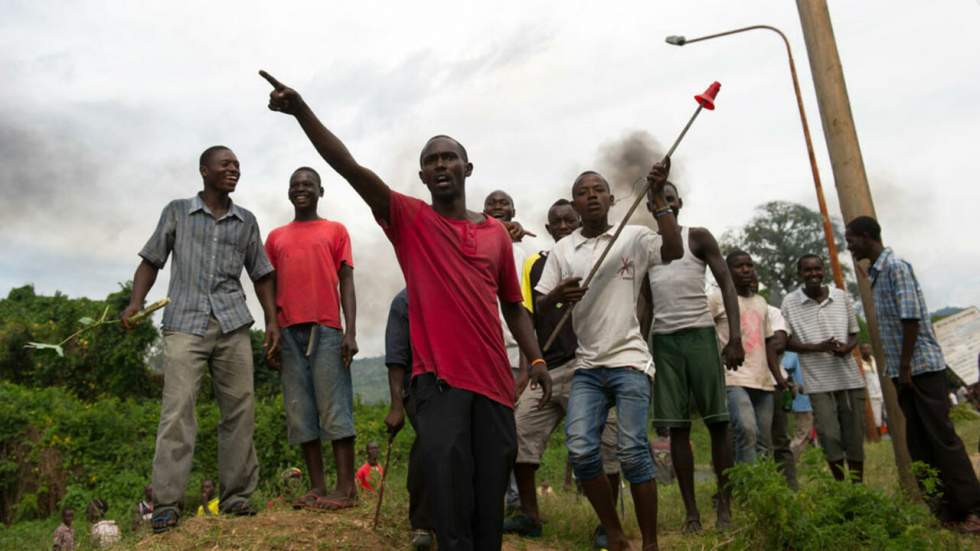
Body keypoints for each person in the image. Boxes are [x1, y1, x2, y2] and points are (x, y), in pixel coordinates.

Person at [261, 70, 552, 551]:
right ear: (421, 176)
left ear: (467, 168)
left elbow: (514, 307)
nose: (441, 166)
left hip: (496, 387)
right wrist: (302, 112)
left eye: (449, 158)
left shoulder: (496, 235)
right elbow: (349, 168)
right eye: (431, 160)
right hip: (438, 386)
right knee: (450, 497)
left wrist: (536, 359)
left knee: (488, 505)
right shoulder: (410, 220)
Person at [121, 145, 278, 533]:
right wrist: (135, 303)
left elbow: (261, 273)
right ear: (204, 170)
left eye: (237, 165)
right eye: (225, 164)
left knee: (240, 409)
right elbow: (151, 260)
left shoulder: (247, 221)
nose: (233, 170)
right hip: (184, 323)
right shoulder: (177, 211)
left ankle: (237, 496)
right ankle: (167, 503)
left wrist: (272, 321)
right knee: (177, 411)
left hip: (233, 323)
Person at [536, 165, 683, 551]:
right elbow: (539, 302)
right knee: (582, 452)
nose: (592, 195)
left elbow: (674, 249)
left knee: (633, 451)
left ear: (612, 199)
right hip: (588, 365)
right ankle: (614, 532)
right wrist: (557, 297)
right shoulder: (562, 250)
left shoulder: (631, 237)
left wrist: (658, 203)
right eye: (583, 191)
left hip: (631, 360)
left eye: (599, 189)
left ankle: (649, 543)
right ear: (575, 204)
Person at [846, 216, 980, 530]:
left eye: (851, 239)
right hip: (903, 371)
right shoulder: (875, 275)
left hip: (920, 369)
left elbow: (910, 320)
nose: (849, 246)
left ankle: (973, 509)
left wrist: (905, 367)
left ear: (867, 236)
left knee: (942, 439)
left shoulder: (895, 267)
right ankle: (946, 512)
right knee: (919, 443)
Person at [505, 199, 621, 548]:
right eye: (558, 222)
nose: (565, 226)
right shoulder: (534, 265)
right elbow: (526, 316)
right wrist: (531, 365)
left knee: (607, 444)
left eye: (570, 220)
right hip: (549, 369)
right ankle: (530, 515)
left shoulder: (600, 257)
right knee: (519, 433)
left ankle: (608, 525)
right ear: (548, 228)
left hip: (593, 364)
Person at [642, 181, 743, 532]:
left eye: (668, 199)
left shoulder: (698, 237)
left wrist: (735, 338)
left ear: (678, 203)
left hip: (701, 336)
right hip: (664, 343)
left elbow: (727, 283)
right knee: (677, 429)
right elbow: (645, 303)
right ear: (650, 208)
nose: (664, 205)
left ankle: (725, 508)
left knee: (718, 422)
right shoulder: (647, 247)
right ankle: (691, 514)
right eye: (657, 201)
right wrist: (642, 351)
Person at [265, 166, 359, 511]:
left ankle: (346, 487)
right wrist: (271, 328)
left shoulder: (335, 230)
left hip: (327, 330)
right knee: (300, 411)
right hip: (288, 332)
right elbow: (269, 287)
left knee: (334, 406)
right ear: (288, 192)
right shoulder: (275, 237)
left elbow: (347, 280)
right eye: (295, 185)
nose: (301, 189)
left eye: (308, 184)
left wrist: (350, 330)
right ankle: (318, 485)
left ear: (321, 191)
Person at [780, 254, 865, 482]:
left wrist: (847, 348)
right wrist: (817, 347)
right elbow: (786, 341)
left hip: (849, 378)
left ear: (823, 270)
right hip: (817, 382)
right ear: (800, 274)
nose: (813, 274)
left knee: (854, 436)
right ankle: (840, 486)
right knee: (829, 436)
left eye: (817, 269)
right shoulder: (789, 302)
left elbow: (854, 333)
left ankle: (858, 487)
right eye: (807, 270)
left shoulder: (841, 297)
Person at [708, 251, 790, 464]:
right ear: (727, 271)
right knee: (746, 430)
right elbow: (703, 335)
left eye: (749, 265)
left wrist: (778, 377)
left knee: (764, 441)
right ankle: (747, 487)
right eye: (739, 266)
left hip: (762, 382)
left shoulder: (761, 302)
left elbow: (768, 343)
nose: (746, 270)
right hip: (733, 378)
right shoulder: (717, 299)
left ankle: (761, 490)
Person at [483, 189, 530, 515]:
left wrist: (528, 363)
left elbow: (529, 312)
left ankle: (514, 499)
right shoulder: (477, 243)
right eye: (492, 205)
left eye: (504, 204)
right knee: (488, 428)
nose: (498, 208)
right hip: (483, 353)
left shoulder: (527, 252)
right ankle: (494, 498)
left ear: (514, 210)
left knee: (514, 428)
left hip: (516, 355)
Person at [383, 288, 433, 549]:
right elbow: (396, 359)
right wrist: (396, 406)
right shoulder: (404, 301)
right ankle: (422, 523)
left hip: (459, 382)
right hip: (420, 387)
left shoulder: (457, 289)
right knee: (430, 440)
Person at [765, 295, 798, 490]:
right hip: (740, 382)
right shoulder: (726, 312)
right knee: (749, 439)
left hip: (774, 383)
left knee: (780, 440)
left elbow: (778, 344)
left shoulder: (772, 312)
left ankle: (789, 488)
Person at [782, 351, 815, 459]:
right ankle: (788, 461)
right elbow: (785, 366)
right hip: (803, 403)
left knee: (814, 435)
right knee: (802, 436)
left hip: (813, 400)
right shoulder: (793, 353)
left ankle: (819, 463)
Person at [859, 343, 885, 431]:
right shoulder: (860, 364)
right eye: (864, 349)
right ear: (861, 351)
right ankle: (877, 437)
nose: (866, 351)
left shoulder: (875, 360)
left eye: (868, 348)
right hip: (871, 395)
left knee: (887, 415)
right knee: (876, 420)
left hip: (881, 392)